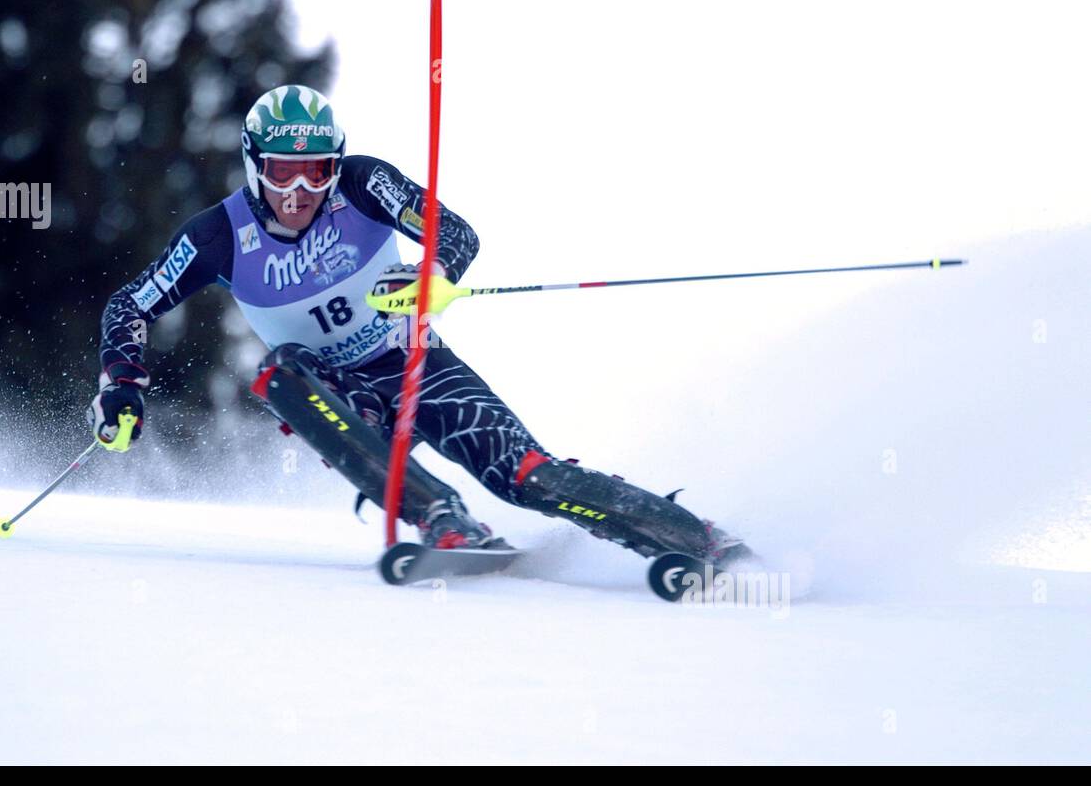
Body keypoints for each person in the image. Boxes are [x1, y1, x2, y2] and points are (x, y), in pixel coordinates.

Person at [90, 84, 743, 560]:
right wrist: (122, 386)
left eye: (317, 172)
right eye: (283, 172)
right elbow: (130, 304)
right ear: (255, 164)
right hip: (337, 391)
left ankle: (694, 536)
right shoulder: (217, 236)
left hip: (419, 364)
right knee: (279, 374)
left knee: (528, 477)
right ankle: (440, 516)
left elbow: (455, 234)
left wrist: (434, 277)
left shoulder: (366, 184)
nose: (300, 193)